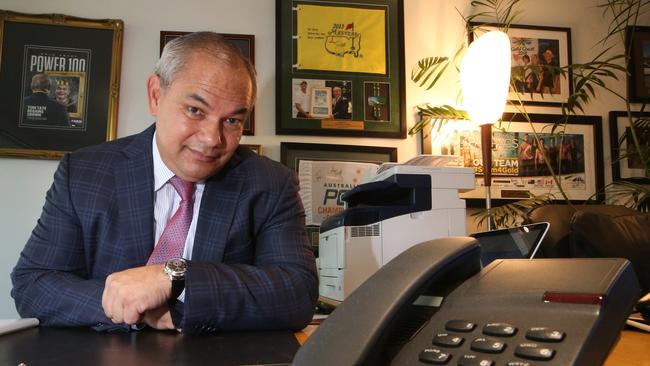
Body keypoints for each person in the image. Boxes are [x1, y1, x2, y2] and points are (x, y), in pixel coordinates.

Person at [11, 32, 318, 334]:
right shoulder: (83, 173)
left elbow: (298, 293)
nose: (213, 139)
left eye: (233, 121)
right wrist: (131, 307)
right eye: (195, 110)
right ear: (156, 95)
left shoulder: (270, 183)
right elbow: (34, 284)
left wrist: (176, 277)